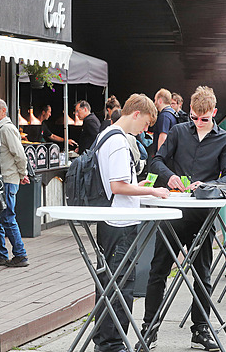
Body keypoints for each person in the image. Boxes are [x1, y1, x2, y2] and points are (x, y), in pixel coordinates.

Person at [141, 86, 226, 351]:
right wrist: (169, 175)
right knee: (158, 270)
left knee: (203, 274)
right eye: (194, 117)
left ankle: (201, 329)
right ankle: (149, 328)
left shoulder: (225, 140)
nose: (198, 122)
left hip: (202, 214)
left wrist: (208, 186)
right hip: (173, 212)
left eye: (204, 118)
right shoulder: (178, 131)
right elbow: (156, 161)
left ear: (214, 113)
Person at [92, 94, 169, 352]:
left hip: (111, 218)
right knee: (120, 283)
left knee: (111, 282)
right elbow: (118, 186)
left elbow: (116, 185)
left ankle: (107, 341)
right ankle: (112, 343)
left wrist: (139, 188)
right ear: (136, 114)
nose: (145, 130)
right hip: (119, 220)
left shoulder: (107, 136)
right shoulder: (118, 142)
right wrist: (150, 191)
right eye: (146, 123)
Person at [0, 98, 30, 267]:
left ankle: (20, 254)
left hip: (8, 180)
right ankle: (1, 254)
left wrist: (22, 173)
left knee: (7, 217)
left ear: (3, 111)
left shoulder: (6, 129)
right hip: (0, 180)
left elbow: (20, 154)